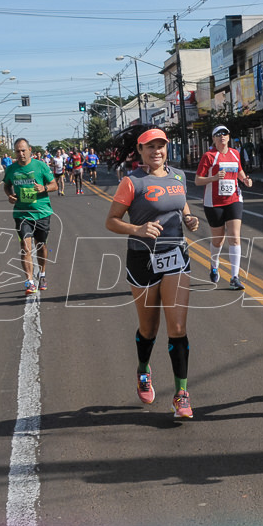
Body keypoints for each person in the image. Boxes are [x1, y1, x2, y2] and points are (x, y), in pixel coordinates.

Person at [105, 128, 201, 419]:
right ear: (141, 150)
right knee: (149, 329)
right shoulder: (132, 181)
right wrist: (137, 229)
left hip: (176, 258)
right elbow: (111, 221)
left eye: (161, 146)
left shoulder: (178, 176)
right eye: (151, 147)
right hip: (142, 260)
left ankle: (181, 395)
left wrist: (188, 217)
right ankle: (144, 369)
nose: (157, 151)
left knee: (178, 328)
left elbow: (181, 201)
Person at [194, 125, 254, 290]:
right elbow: (198, 180)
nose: (222, 137)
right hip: (214, 202)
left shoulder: (235, 153)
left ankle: (234, 277)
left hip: (234, 199)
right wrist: (213, 178)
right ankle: (214, 265)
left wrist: (245, 180)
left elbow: (240, 171)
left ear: (229, 137)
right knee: (218, 239)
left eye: (225, 134)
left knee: (235, 237)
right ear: (213, 139)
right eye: (218, 135)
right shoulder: (209, 156)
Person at [3, 137, 57, 295]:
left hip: (42, 212)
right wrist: (10, 195)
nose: (20, 154)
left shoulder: (40, 166)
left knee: (41, 246)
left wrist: (44, 188)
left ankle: (42, 274)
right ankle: (29, 281)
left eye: (23, 150)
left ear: (30, 150)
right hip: (22, 213)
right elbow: (7, 185)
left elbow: (53, 185)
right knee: (25, 247)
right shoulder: (11, 169)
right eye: (17, 151)